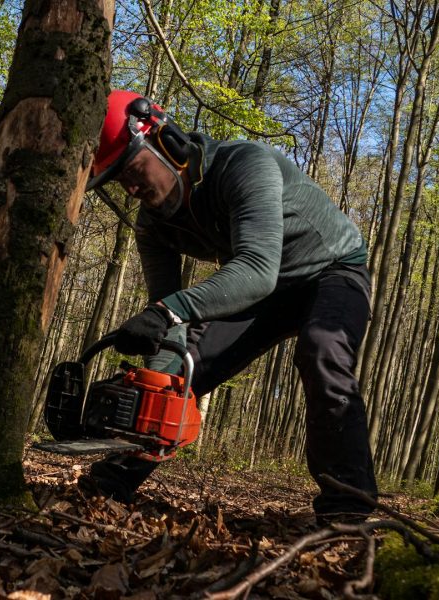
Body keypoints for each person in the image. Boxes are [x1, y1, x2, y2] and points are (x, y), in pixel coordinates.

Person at [79, 90, 377, 525]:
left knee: (322, 349)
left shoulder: (245, 164)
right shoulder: (153, 225)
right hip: (266, 291)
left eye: (132, 169)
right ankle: (112, 481)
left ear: (166, 142)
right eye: (118, 181)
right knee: (182, 366)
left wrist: (167, 312)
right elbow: (169, 317)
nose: (131, 189)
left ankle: (347, 507)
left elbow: (256, 268)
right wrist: (160, 366)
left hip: (332, 270)